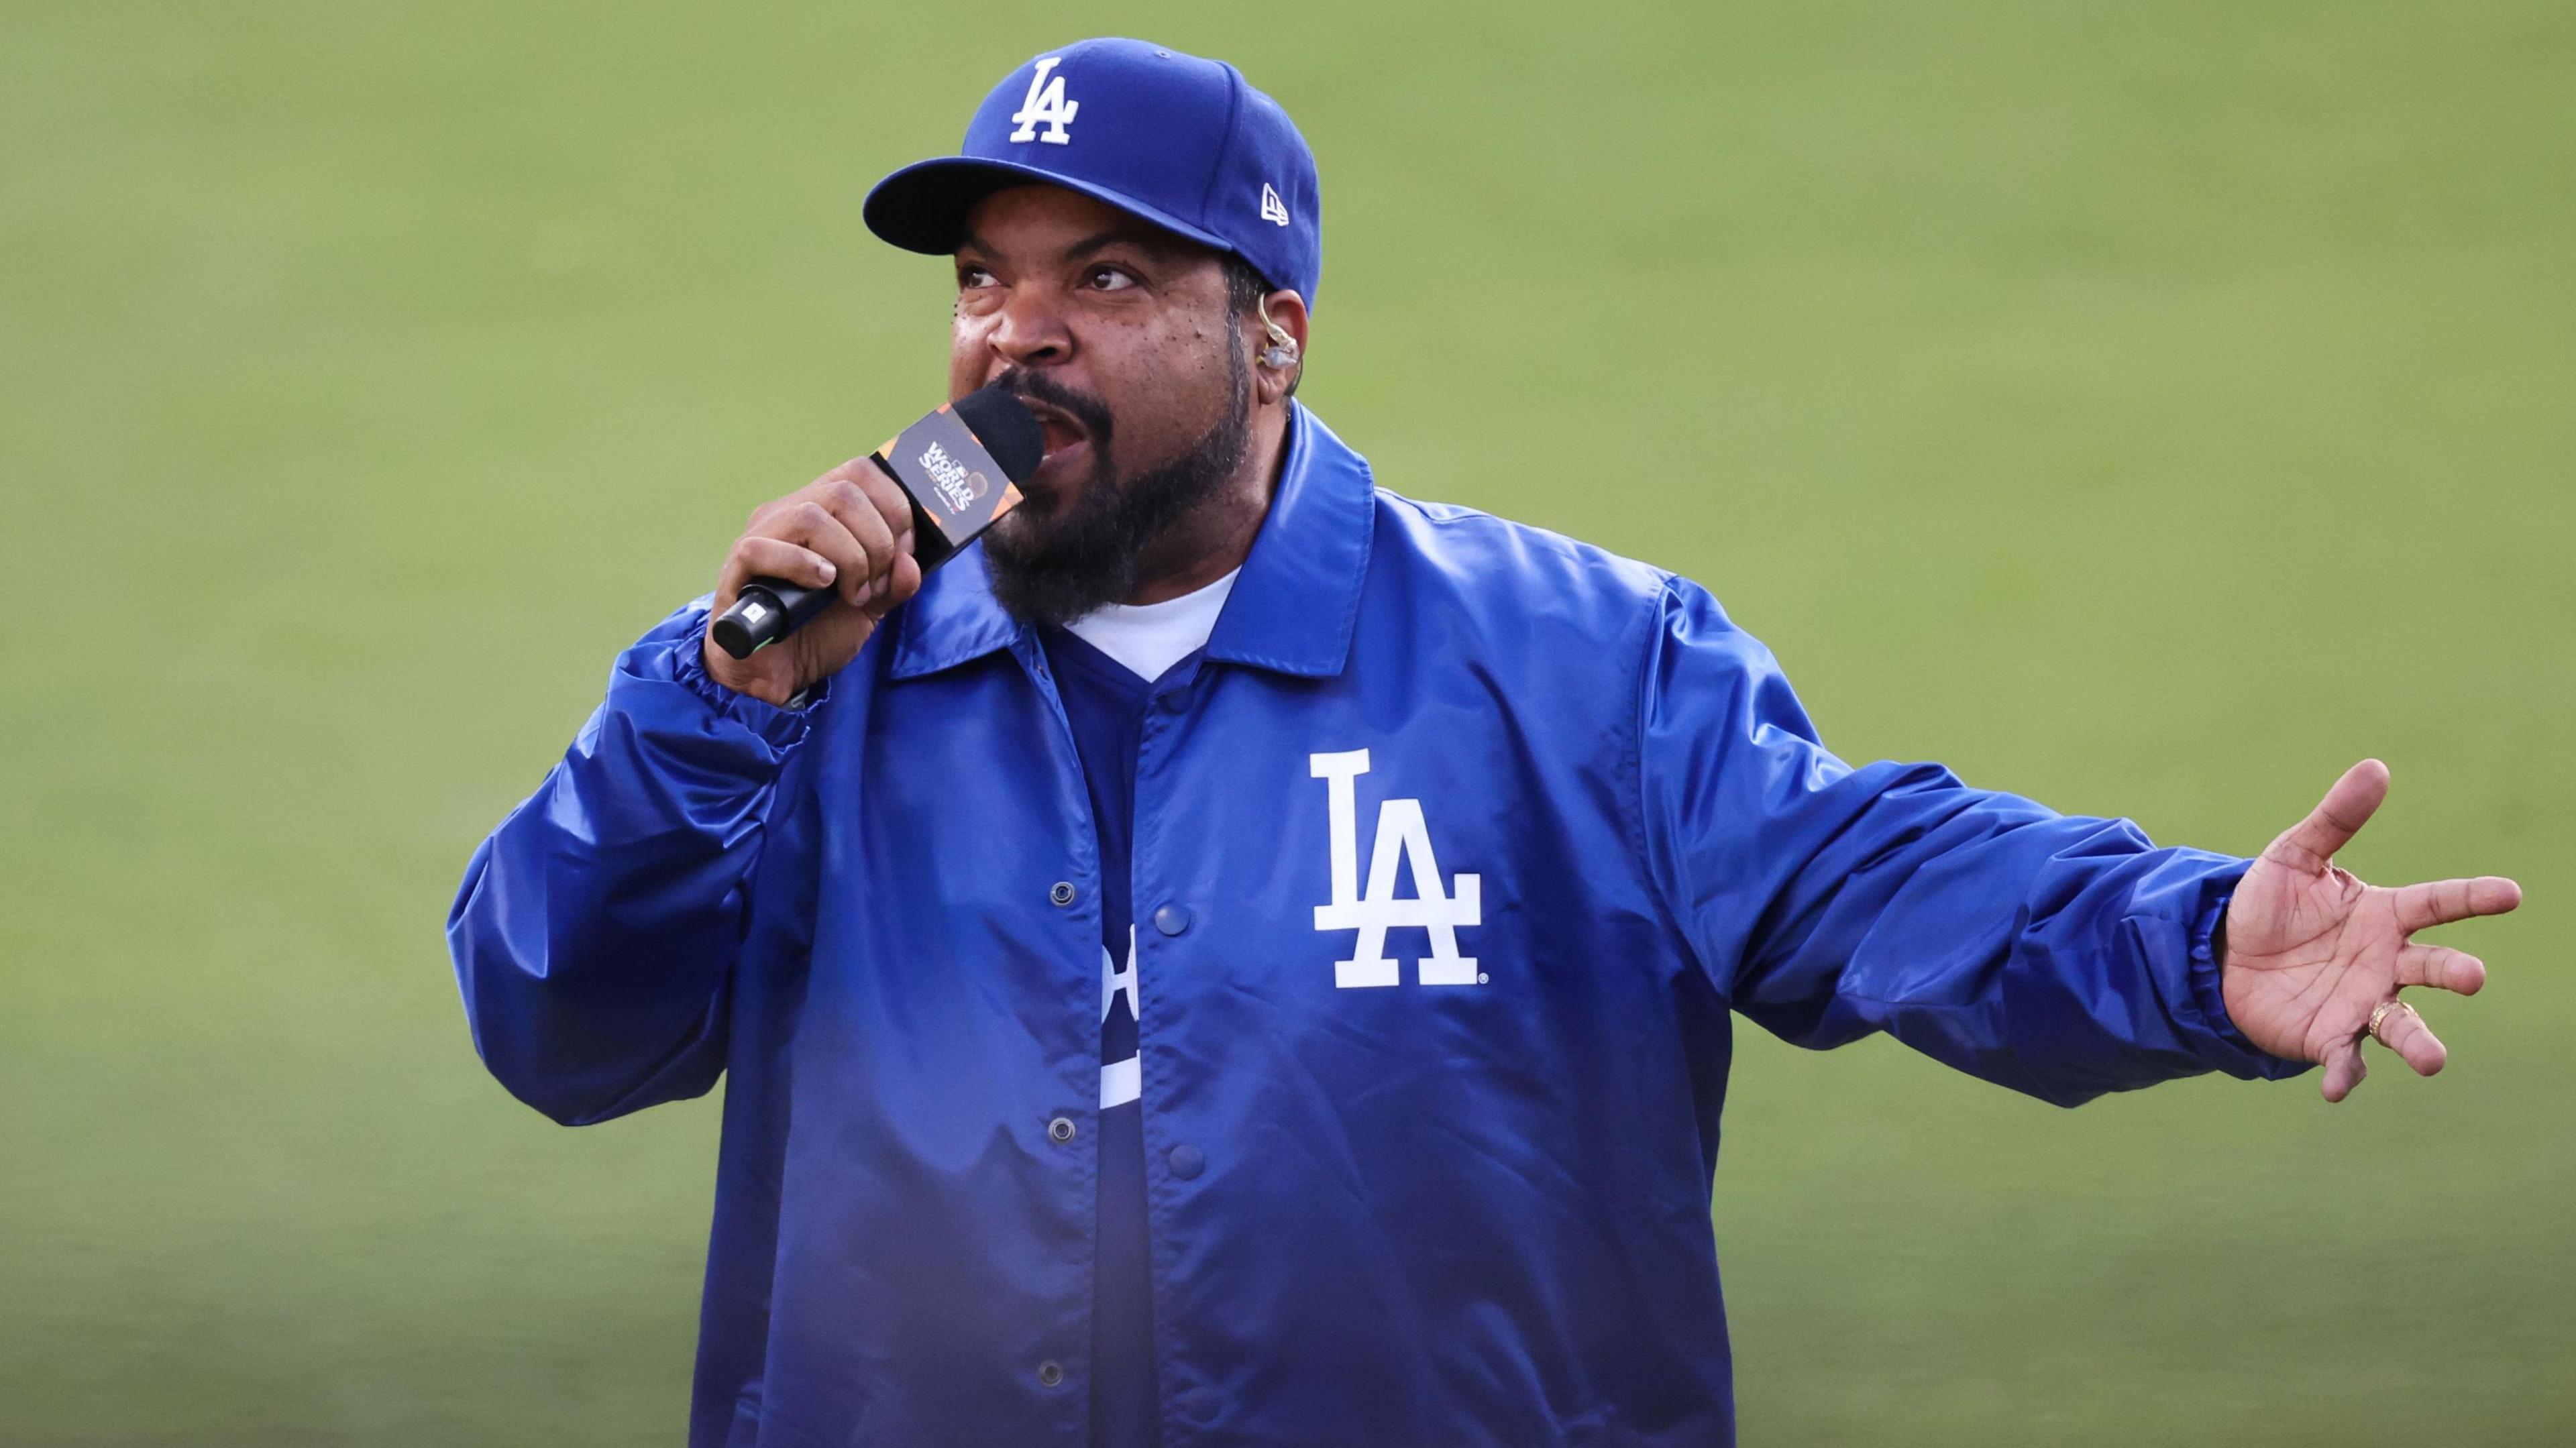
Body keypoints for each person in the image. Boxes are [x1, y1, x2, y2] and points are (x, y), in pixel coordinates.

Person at [446, 38, 2522, 1448]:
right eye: (983, 282)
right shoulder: (793, 681)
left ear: (1274, 329)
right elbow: (558, 1027)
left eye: (1106, 273)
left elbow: (1876, 873)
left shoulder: (1577, 666)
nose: (1014, 335)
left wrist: (2176, 948)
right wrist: (711, 713)